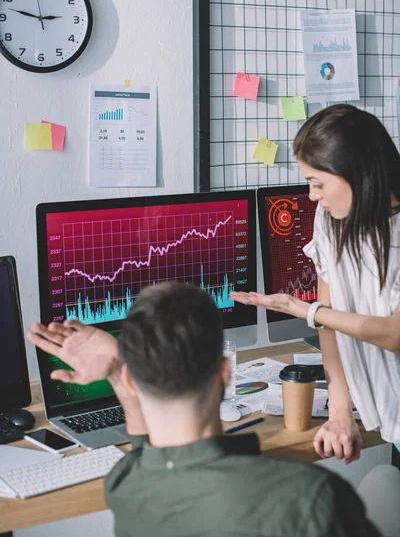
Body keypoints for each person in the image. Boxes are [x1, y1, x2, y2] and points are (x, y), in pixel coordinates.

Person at [27, 281, 382, 537]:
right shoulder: (313, 497)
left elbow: (144, 452)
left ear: (132, 382)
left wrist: (120, 369)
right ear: (225, 373)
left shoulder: (126, 485)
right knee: (384, 482)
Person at [231, 104, 400, 465]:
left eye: (318, 183)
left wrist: (305, 310)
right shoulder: (330, 218)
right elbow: (328, 323)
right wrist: (340, 413)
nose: (311, 196)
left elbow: (394, 334)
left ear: (356, 174)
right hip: (389, 420)